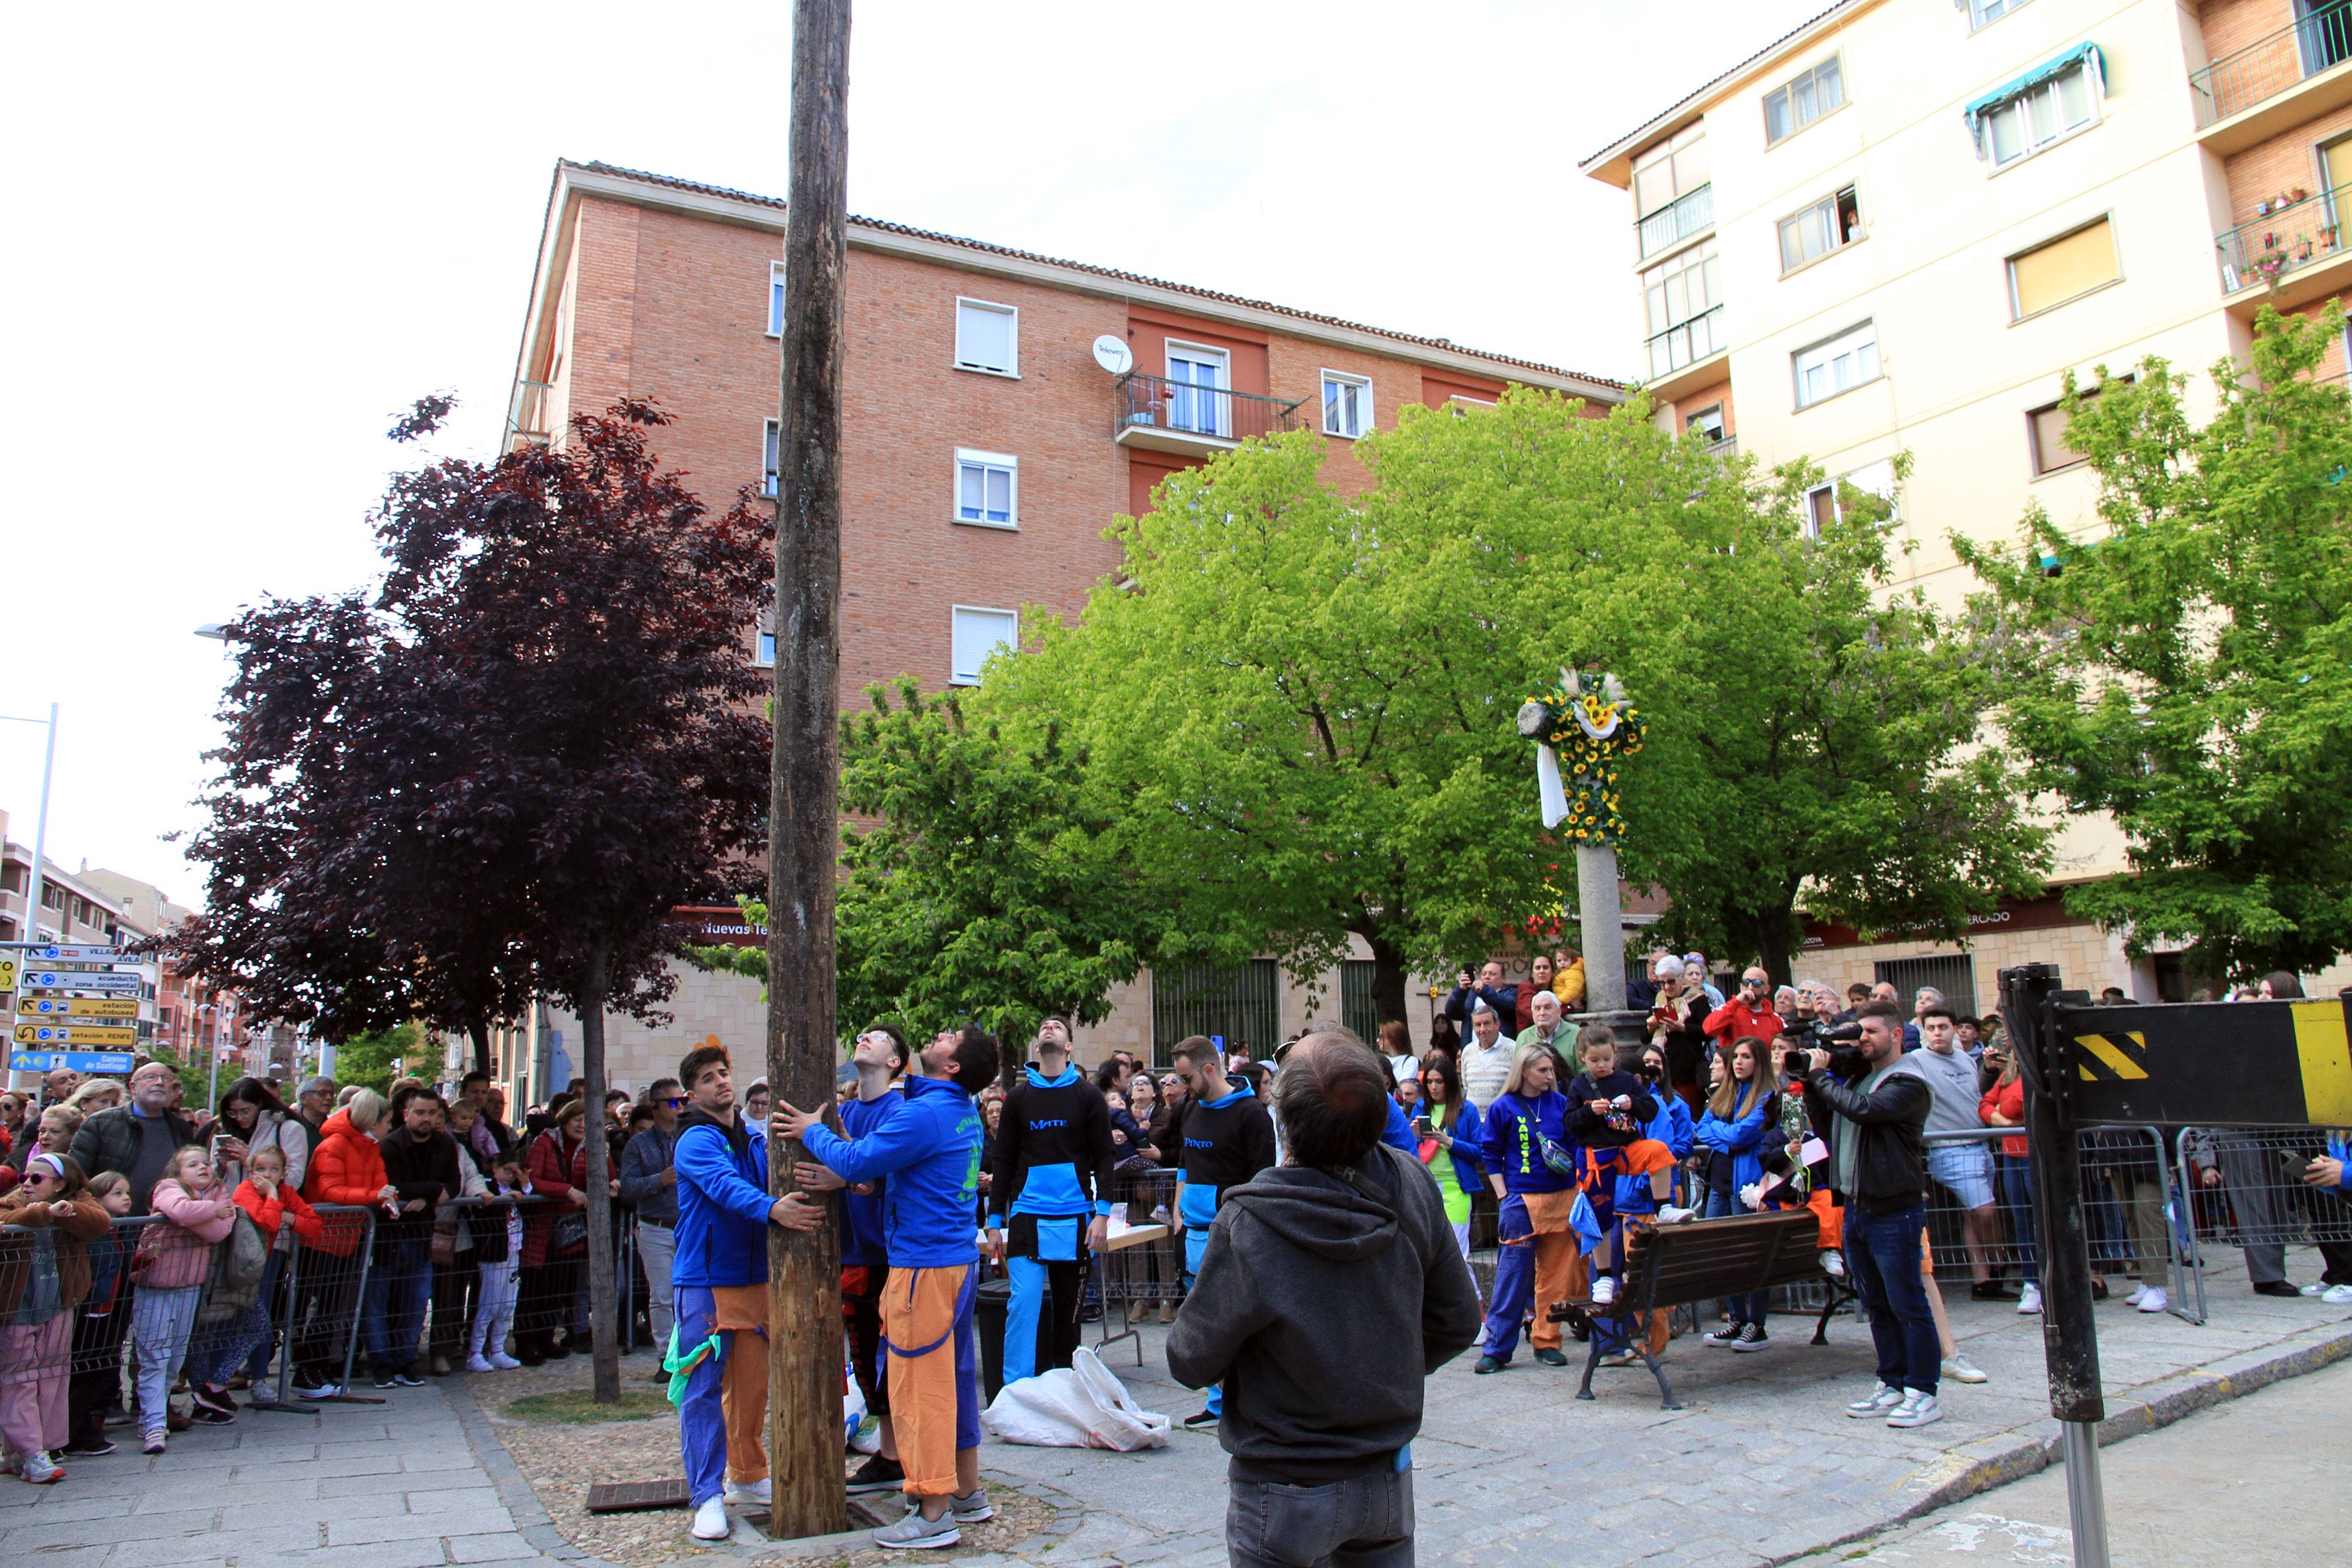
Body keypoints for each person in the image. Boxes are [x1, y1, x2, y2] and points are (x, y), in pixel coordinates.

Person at [1167, 1028, 1481, 1568]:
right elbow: (1457, 1320)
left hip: (1282, 1482)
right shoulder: (1411, 1180)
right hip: (1382, 1472)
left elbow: (1190, 1357)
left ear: (1283, 1122)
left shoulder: (1250, 1220)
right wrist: (1379, 1370)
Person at [780, 1025, 996, 1551]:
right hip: (952, 1262)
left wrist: (812, 1129)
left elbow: (856, 1161)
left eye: (949, 1037)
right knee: (953, 1379)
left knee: (918, 1388)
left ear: (952, 1066)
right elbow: (890, 1170)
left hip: (922, 1267)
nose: (939, 1033)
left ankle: (932, 1511)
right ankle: (965, 1492)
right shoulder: (951, 1110)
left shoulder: (926, 1113)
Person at [666, 1042, 825, 1542]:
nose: (720, 1082)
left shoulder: (752, 1138)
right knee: (702, 1389)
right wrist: (775, 1210)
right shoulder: (694, 1140)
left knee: (752, 1387)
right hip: (707, 1280)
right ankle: (706, 1495)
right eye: (708, 1078)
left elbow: (772, 1172)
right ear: (691, 1093)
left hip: (753, 1278)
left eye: (723, 1073)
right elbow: (725, 1188)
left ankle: (749, 1473)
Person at [1789, 1000, 1941, 1429]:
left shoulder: (1908, 1080)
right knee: (1877, 1304)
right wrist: (1812, 1081)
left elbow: (1865, 1112)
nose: (1862, 1041)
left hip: (1895, 1208)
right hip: (1857, 1206)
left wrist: (1821, 1075)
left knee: (1908, 1303)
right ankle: (1892, 1382)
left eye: (1871, 1032)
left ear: (1896, 1034)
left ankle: (1924, 1391)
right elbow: (1827, 1124)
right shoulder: (1862, 1077)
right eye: (1859, 1033)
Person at [986, 1024, 1116, 1387]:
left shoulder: (1088, 1096)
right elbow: (1004, 1160)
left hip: (1076, 1216)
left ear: (1069, 1045)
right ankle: (1015, 1393)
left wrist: (1102, 1214)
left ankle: (1066, 1390)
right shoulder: (1018, 1098)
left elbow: (1105, 1156)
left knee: (1068, 1317)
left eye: (1057, 1026)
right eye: (1044, 1025)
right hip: (1027, 1215)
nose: (1048, 1028)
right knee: (1022, 1307)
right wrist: (995, 1220)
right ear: (1037, 1043)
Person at [1167, 1034, 1278, 1429]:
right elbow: (1185, 1160)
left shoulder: (1251, 1115)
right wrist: (1179, 1209)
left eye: (1186, 1077)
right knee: (1205, 1319)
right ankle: (1218, 1401)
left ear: (1209, 1069)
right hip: (1193, 1229)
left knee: (1234, 1318)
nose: (1182, 1086)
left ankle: (1243, 1399)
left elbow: (1262, 1177)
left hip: (1230, 1232)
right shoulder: (1191, 1108)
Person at [821, 1025, 910, 1494]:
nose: (864, 1039)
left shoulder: (900, 1113)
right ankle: (888, 1450)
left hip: (888, 1254)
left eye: (877, 1038)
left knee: (891, 1355)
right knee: (863, 1353)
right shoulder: (844, 1111)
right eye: (862, 1034)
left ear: (895, 1062)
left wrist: (847, 1175)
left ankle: (896, 1452)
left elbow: (871, 1172)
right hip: (851, 1252)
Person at [189, 1142, 322, 1417]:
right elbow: (268, 1223)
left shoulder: (285, 1192)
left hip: (251, 1271)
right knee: (223, 1331)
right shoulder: (245, 1191)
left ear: (284, 1172)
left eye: (274, 1170)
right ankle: (209, 1388)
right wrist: (274, 1197)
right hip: (230, 1272)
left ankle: (211, 1389)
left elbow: (314, 1226)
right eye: (260, 1169)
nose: (267, 1175)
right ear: (251, 1171)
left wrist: (287, 1214)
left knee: (252, 1327)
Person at [0, 1153, 109, 1483]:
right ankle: (32, 1452)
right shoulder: (13, 1202)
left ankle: (31, 1449)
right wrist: (41, 1213)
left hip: (60, 1303)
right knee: (18, 1378)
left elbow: (99, 1222)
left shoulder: (77, 1200)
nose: (27, 1184)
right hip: (16, 1307)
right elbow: (7, 1215)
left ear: (60, 1183)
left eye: (37, 1179)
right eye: (24, 1178)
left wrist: (64, 1213)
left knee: (52, 1375)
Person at [1472, 1042, 1580, 1373]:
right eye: (1542, 1070)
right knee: (1512, 1276)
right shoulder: (1504, 1107)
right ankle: (1497, 1347)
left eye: (1551, 1070)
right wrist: (1504, 1195)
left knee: (1554, 1278)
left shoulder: (1561, 1104)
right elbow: (1490, 1153)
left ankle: (1547, 1340)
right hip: (1520, 1201)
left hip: (1561, 1197)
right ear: (1525, 1072)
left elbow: (1575, 1147)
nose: (1549, 1076)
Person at [133, 1144, 238, 1452]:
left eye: (206, 1163)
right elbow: (177, 1210)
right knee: (155, 1357)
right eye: (193, 1164)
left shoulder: (219, 1192)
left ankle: (154, 1415)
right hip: (156, 1286)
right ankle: (153, 1424)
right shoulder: (167, 1187)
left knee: (175, 1358)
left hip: (191, 1285)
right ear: (178, 1171)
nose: (203, 1168)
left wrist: (200, 1215)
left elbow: (220, 1231)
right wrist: (207, 1213)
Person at [293, 1088, 393, 1398]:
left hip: (348, 1236)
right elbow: (331, 1190)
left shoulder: (370, 1147)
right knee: (321, 1309)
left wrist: (386, 1196)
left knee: (334, 1309)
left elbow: (379, 1182)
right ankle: (307, 1370)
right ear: (371, 1121)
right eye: (386, 1121)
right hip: (322, 1238)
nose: (389, 1127)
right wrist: (375, 1197)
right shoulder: (333, 1146)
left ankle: (319, 1368)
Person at [367, 1087, 463, 1387]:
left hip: (422, 1234)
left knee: (417, 1302)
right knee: (378, 1302)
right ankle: (381, 1362)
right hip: (389, 1235)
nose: (427, 1118)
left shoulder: (446, 1144)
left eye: (433, 1113)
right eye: (420, 1112)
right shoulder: (391, 1145)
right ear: (406, 1114)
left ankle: (406, 1359)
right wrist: (434, 1191)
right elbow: (395, 1187)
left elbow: (454, 1184)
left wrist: (428, 1196)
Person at [1910, 1006, 2005, 1301]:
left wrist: (1988, 1070)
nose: (1938, 1033)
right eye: (1931, 1028)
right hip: (1949, 1148)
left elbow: (1977, 1094)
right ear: (1924, 1032)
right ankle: (2000, 1263)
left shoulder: (1965, 1057)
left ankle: (1983, 1280)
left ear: (1955, 1029)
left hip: (1980, 1143)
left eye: (1943, 1027)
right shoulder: (1916, 1062)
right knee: (1984, 1211)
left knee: (1971, 1214)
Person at [1695, 1038, 1780, 1350]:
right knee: (1720, 1253)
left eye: (1747, 1057)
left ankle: (1756, 1324)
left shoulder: (1768, 1096)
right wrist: (1726, 1139)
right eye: (1736, 1057)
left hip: (1746, 1184)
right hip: (1718, 1183)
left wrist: (1726, 1135)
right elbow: (1702, 1128)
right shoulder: (1724, 1092)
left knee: (1750, 1255)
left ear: (1760, 1062)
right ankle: (1736, 1318)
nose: (1739, 1062)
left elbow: (1744, 1135)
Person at [65, 1061, 195, 1213]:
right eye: (151, 1077)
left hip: (163, 1224)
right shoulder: (100, 1123)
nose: (160, 1083)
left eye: (166, 1079)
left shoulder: (181, 1129)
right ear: (133, 1087)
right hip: (110, 1225)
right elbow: (76, 1176)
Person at [518, 1100, 593, 1363]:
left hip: (569, 1230)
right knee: (534, 1289)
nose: (582, 1124)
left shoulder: (590, 1146)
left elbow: (602, 1176)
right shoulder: (544, 1143)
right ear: (564, 1119)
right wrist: (566, 1191)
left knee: (558, 1288)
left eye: (587, 1119)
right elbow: (533, 1179)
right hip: (541, 1227)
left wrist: (604, 1154)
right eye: (577, 1119)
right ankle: (526, 1344)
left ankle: (546, 1339)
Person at [618, 1077, 685, 1358]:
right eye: (672, 1102)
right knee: (661, 1296)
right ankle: (665, 1356)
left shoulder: (691, 1136)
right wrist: (659, 1180)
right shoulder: (638, 1144)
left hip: (688, 1225)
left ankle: (691, 1351)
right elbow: (628, 1186)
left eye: (682, 1100)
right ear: (655, 1107)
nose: (679, 1107)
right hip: (654, 1226)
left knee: (691, 1294)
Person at [1978, 1046, 2043, 1316]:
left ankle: (2046, 1282)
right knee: (2023, 1224)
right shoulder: (2007, 1077)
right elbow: (1985, 1105)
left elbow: (2020, 1104)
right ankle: (2032, 1283)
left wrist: (2003, 1112)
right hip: (2012, 1155)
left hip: (2033, 1155)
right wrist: (2004, 1119)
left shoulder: (2031, 1077)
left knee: (2041, 1221)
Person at [1411, 1051, 1482, 1262]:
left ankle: (1472, 1295)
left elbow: (1479, 1152)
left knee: (1458, 1254)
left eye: (1439, 1082)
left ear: (1449, 1082)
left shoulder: (1466, 1110)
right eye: (1430, 1082)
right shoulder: (1420, 1108)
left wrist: (1448, 1141)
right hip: (1427, 1187)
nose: (1434, 1087)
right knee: (1429, 1251)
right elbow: (1409, 1152)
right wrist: (1414, 1136)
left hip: (1457, 1188)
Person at [210, 1077, 305, 1194]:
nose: (239, 1118)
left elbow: (294, 1181)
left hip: (269, 1208)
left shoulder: (288, 1129)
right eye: (233, 1113)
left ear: (259, 1104)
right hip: (231, 1208)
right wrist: (221, 1168)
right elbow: (208, 1185)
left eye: (245, 1111)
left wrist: (250, 1161)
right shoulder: (224, 1132)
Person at [1703, 968, 1785, 1069]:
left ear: (1766, 989)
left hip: (1763, 1076)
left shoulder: (1776, 1020)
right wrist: (1736, 1002)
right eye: (1746, 983)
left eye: (1757, 983)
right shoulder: (1729, 1010)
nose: (1750, 987)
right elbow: (1709, 1030)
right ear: (1741, 986)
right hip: (1733, 1074)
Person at [1455, 1002, 1515, 1110]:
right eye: (1478, 1025)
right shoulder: (1468, 1051)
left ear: (1497, 1024)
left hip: (1503, 1119)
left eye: (1487, 1024)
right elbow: (1466, 1086)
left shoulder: (1513, 1049)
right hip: (1475, 1122)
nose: (1482, 1030)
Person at [1514, 989, 1579, 1079]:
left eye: (1547, 1008)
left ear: (1559, 1012)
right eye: (1537, 1009)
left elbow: (1584, 1073)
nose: (1542, 1013)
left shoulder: (1576, 1034)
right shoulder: (1524, 1037)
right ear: (1533, 1014)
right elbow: (1518, 1073)